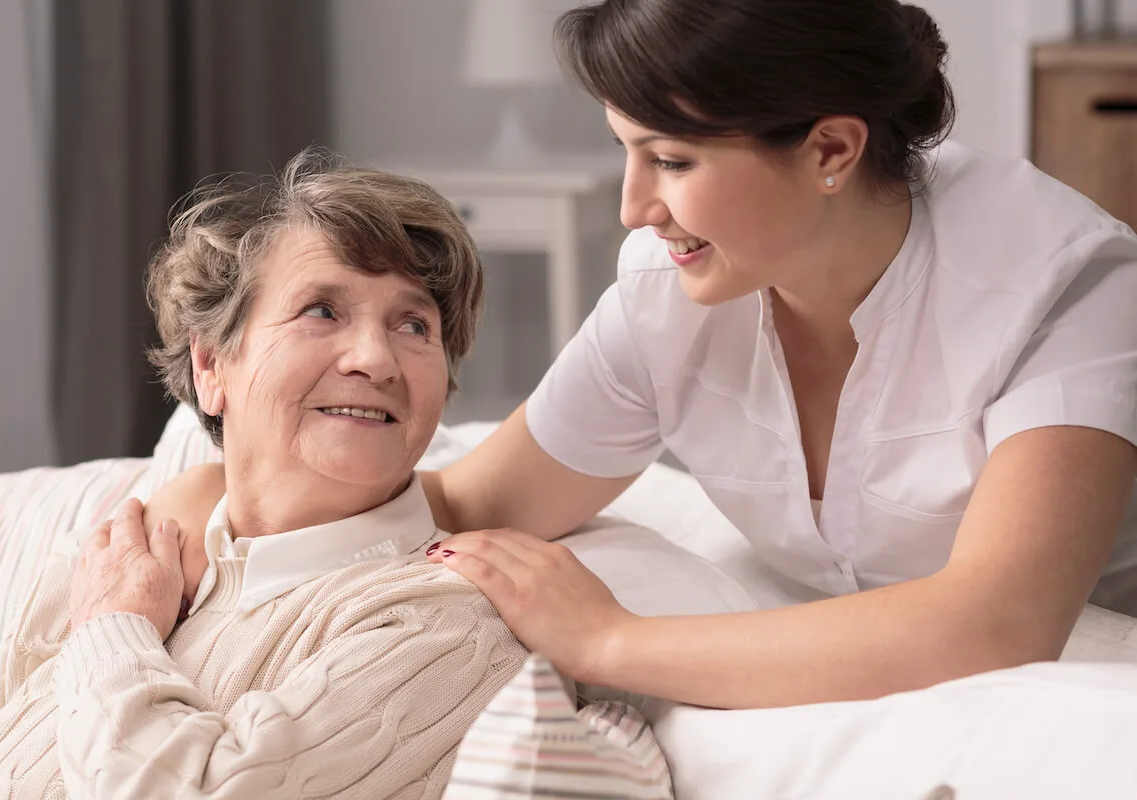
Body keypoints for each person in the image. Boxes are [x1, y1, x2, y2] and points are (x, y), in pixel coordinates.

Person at [153, 0, 1137, 712]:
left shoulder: (1065, 286)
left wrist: (611, 639)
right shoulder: (671, 295)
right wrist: (216, 503)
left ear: (831, 149)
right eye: (628, 151)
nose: (634, 207)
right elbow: (470, 502)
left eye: (671, 160)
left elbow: (999, 623)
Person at [0, 150, 528, 798]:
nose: (375, 358)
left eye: (414, 325)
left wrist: (114, 629)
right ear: (212, 366)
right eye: (323, 311)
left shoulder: (442, 628)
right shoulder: (124, 556)